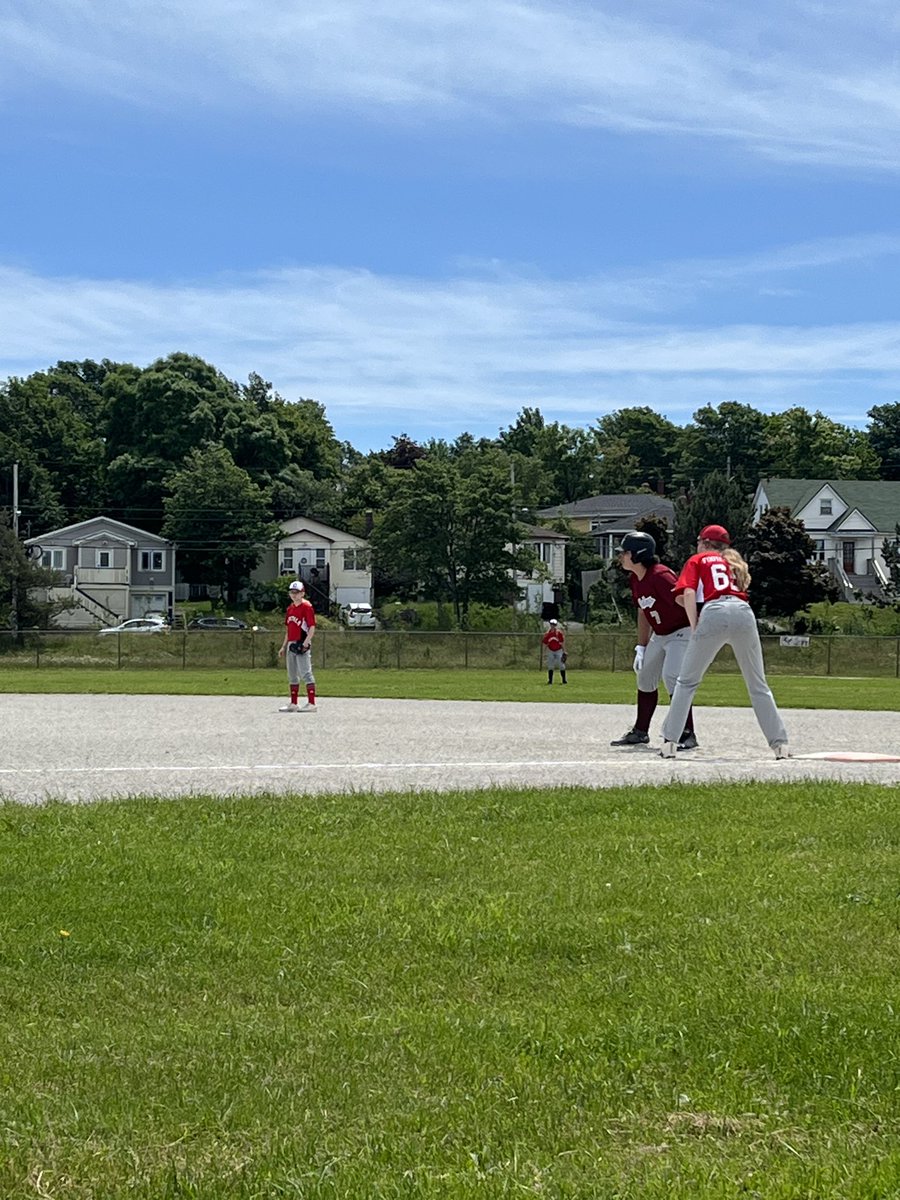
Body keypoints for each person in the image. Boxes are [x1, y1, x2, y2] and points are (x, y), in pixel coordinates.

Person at [659, 525, 789, 760]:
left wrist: (695, 624)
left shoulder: (699, 558)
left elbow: (687, 594)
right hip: (743, 612)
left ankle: (669, 743)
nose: (697, 545)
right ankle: (780, 745)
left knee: (686, 682)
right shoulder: (733, 562)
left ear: (706, 543)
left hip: (715, 611)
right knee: (758, 685)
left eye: (700, 540)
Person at [610, 530, 698, 751]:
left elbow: (685, 601)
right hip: (660, 634)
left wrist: (698, 633)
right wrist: (642, 646)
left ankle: (687, 733)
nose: (621, 556)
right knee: (645, 676)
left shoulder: (660, 576)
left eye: (625, 553)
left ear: (638, 555)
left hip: (682, 631)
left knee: (672, 677)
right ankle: (641, 732)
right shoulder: (636, 578)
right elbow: (643, 612)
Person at [277, 580, 318, 713]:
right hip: (291, 643)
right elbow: (289, 630)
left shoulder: (307, 607)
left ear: (302, 593)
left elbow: (311, 627)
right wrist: (283, 646)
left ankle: (312, 703)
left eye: (297, 592)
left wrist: (306, 643)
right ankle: (294, 703)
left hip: (302, 642)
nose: (294, 595)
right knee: (292, 674)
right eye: (292, 592)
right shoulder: (290, 609)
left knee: (306, 672)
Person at [542, 618, 567, 685]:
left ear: (556, 625)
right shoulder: (547, 634)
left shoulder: (559, 633)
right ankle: (550, 681)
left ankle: (564, 680)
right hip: (550, 650)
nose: (553, 625)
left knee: (561, 665)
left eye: (554, 624)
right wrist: (544, 653)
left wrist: (564, 651)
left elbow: (562, 643)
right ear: (550, 625)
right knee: (550, 666)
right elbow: (545, 644)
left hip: (558, 650)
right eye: (551, 624)